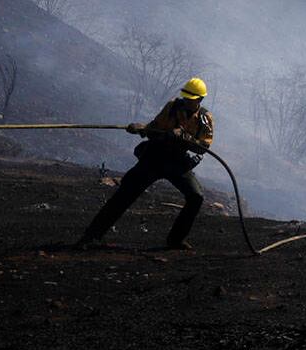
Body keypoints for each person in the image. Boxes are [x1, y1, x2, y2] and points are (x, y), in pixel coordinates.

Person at [77, 78, 214, 250]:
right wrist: (141, 129)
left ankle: (176, 240)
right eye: (186, 97)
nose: (186, 101)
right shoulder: (172, 107)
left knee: (196, 197)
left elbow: (204, 147)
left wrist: (185, 136)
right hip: (155, 157)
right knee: (126, 192)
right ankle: (90, 237)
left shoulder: (204, 119)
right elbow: (153, 129)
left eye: (191, 99)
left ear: (200, 100)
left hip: (178, 163)